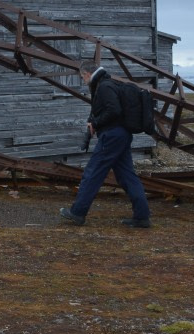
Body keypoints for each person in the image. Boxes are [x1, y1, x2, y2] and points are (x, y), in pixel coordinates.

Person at [59, 62, 152, 228]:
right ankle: (142, 217)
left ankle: (78, 212)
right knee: (126, 176)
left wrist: (96, 122)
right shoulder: (109, 84)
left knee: (93, 172)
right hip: (121, 135)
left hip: (112, 136)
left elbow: (114, 110)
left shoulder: (104, 87)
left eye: (82, 77)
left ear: (87, 74)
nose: (83, 81)